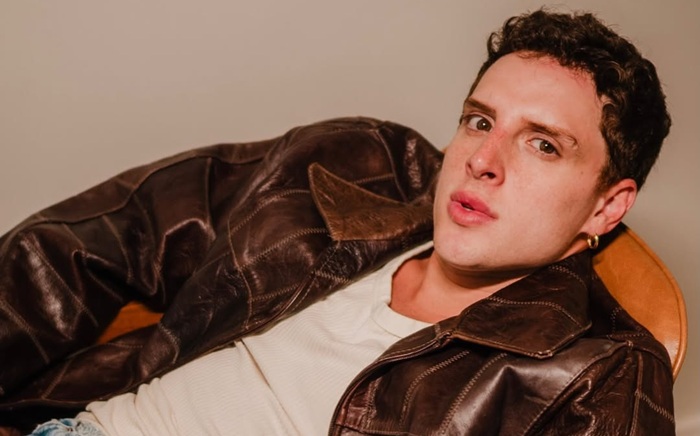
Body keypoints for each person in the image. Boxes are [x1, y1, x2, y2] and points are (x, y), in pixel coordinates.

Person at [0, 7, 675, 435]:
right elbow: (102, 240)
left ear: (607, 205)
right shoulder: (358, 166)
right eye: (478, 121)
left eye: (544, 144)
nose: (481, 161)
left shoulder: (606, 369)